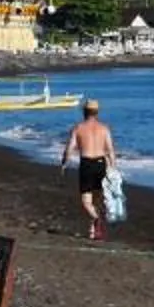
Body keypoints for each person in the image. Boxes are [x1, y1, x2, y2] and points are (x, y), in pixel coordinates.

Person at [59, 98, 118, 241]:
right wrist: (113, 167)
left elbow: (69, 149)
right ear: (97, 112)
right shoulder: (104, 128)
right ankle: (93, 231)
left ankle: (96, 220)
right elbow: (110, 151)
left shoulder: (78, 128)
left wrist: (64, 163)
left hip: (86, 164)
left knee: (86, 201)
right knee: (97, 200)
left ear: (84, 112)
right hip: (100, 163)